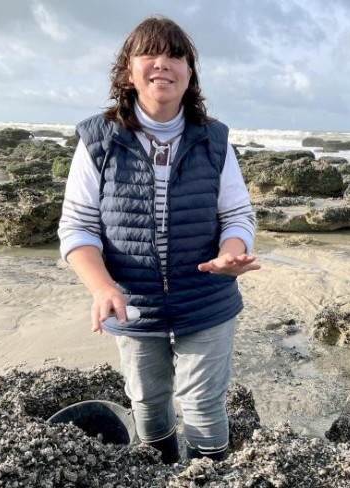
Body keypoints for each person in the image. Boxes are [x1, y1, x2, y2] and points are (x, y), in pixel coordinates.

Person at [58, 15, 259, 464]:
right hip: (133, 302)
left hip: (206, 298)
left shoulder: (214, 140)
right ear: (128, 72)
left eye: (175, 56)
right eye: (149, 54)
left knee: (203, 404)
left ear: (190, 74)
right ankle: (159, 472)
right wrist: (102, 288)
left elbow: (237, 215)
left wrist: (231, 253)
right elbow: (78, 226)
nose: (162, 64)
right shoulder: (99, 140)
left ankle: (212, 475)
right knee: (147, 403)